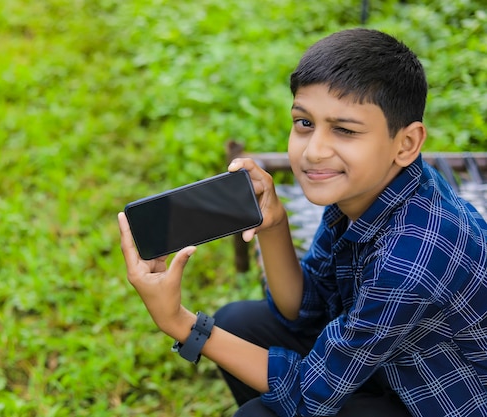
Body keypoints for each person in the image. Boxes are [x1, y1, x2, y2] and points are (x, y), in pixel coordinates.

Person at [117, 28, 487, 417]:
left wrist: (178, 322)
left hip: (442, 399)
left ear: (407, 143)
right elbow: (307, 309)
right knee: (238, 322)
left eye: (344, 130)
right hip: (391, 364)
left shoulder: (414, 255)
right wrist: (275, 225)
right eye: (304, 123)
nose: (314, 152)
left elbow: (311, 392)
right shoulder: (366, 191)